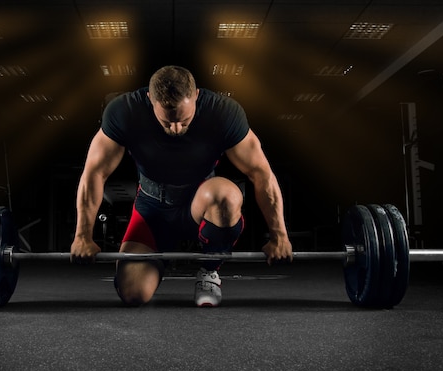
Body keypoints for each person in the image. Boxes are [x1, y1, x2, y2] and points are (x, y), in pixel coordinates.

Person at [70, 65, 292, 307]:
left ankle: (209, 272)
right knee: (133, 294)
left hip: (199, 204)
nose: (175, 129)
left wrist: (279, 235)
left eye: (183, 120)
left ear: (196, 95)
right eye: (167, 122)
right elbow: (94, 173)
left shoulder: (222, 112)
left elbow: (261, 173)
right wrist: (83, 235)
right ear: (150, 100)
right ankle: (151, 265)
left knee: (227, 196)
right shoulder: (125, 111)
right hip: (152, 209)